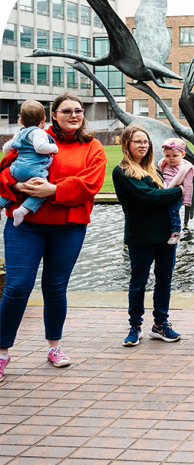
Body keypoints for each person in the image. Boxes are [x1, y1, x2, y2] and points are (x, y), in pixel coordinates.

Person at [0, 93, 106, 381]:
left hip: (68, 226)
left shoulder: (92, 146)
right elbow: (3, 172)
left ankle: (54, 347)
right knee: (18, 286)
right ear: (53, 114)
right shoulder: (32, 136)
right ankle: (2, 353)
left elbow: (91, 182)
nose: (74, 115)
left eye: (79, 111)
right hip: (27, 224)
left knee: (55, 288)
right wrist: (18, 182)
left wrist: (54, 190)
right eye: (67, 111)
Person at [113, 125, 184, 346]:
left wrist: (169, 195)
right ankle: (135, 325)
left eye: (146, 141)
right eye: (137, 141)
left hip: (165, 235)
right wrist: (179, 191)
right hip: (141, 235)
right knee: (138, 282)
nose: (143, 145)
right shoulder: (122, 172)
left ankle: (160, 324)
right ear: (127, 144)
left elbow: (161, 196)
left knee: (164, 281)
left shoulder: (156, 168)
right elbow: (149, 197)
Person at [0, 100, 59, 226]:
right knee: (42, 190)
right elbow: (40, 147)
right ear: (43, 120)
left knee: (13, 189)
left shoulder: (19, 133)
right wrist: (54, 148)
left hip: (15, 170)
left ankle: (0, 205)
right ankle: (22, 210)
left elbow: (5, 149)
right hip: (33, 170)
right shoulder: (39, 132)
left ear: (21, 121)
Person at [158, 138, 194, 245]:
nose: (171, 159)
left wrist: (187, 201)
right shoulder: (163, 164)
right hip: (164, 192)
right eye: (167, 156)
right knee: (164, 212)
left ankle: (175, 232)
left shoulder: (186, 168)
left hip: (176, 195)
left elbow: (188, 185)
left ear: (183, 155)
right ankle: (165, 230)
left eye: (175, 156)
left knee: (173, 211)